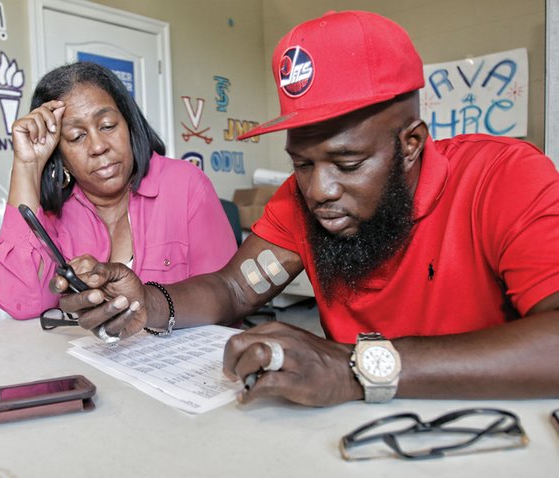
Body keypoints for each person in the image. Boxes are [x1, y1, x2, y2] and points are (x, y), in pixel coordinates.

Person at [52, 11, 559, 406]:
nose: (319, 190)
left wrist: (354, 367)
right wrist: (147, 302)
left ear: (411, 144)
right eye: (301, 163)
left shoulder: (505, 179)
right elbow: (232, 287)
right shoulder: (301, 203)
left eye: (347, 161)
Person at [0, 61, 237, 320]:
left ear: (129, 123)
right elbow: (21, 304)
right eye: (76, 137)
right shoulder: (55, 214)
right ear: (59, 154)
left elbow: (227, 301)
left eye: (107, 125)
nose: (98, 146)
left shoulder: (186, 185)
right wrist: (27, 166)